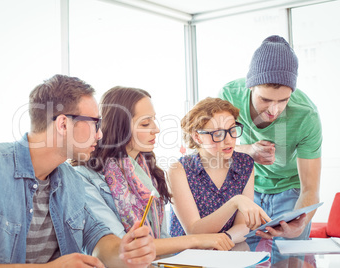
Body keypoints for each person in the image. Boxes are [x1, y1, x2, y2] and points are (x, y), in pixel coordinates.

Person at [0, 75, 155, 267]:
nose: (100, 134)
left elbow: (97, 237)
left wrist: (125, 251)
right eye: (95, 123)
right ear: (63, 124)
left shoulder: (71, 181)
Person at [74, 86, 235, 256]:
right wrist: (197, 240)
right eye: (145, 123)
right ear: (119, 127)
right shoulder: (85, 177)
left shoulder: (149, 171)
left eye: (153, 120)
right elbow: (122, 247)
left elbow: (163, 238)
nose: (156, 129)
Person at [219, 35, 322, 241]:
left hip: (291, 191)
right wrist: (250, 151)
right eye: (265, 99)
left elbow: (310, 188)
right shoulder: (229, 95)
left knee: (290, 257)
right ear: (250, 86)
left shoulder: (306, 115)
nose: (274, 110)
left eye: (283, 100)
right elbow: (213, 148)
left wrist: (300, 224)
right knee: (243, 257)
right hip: (247, 189)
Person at [168, 97, 271, 243]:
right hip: (188, 256)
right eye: (217, 134)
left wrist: (224, 241)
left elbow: (242, 225)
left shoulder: (245, 163)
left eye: (232, 130)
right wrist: (235, 202)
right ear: (197, 137)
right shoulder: (179, 170)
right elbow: (194, 230)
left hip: (227, 251)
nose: (228, 140)